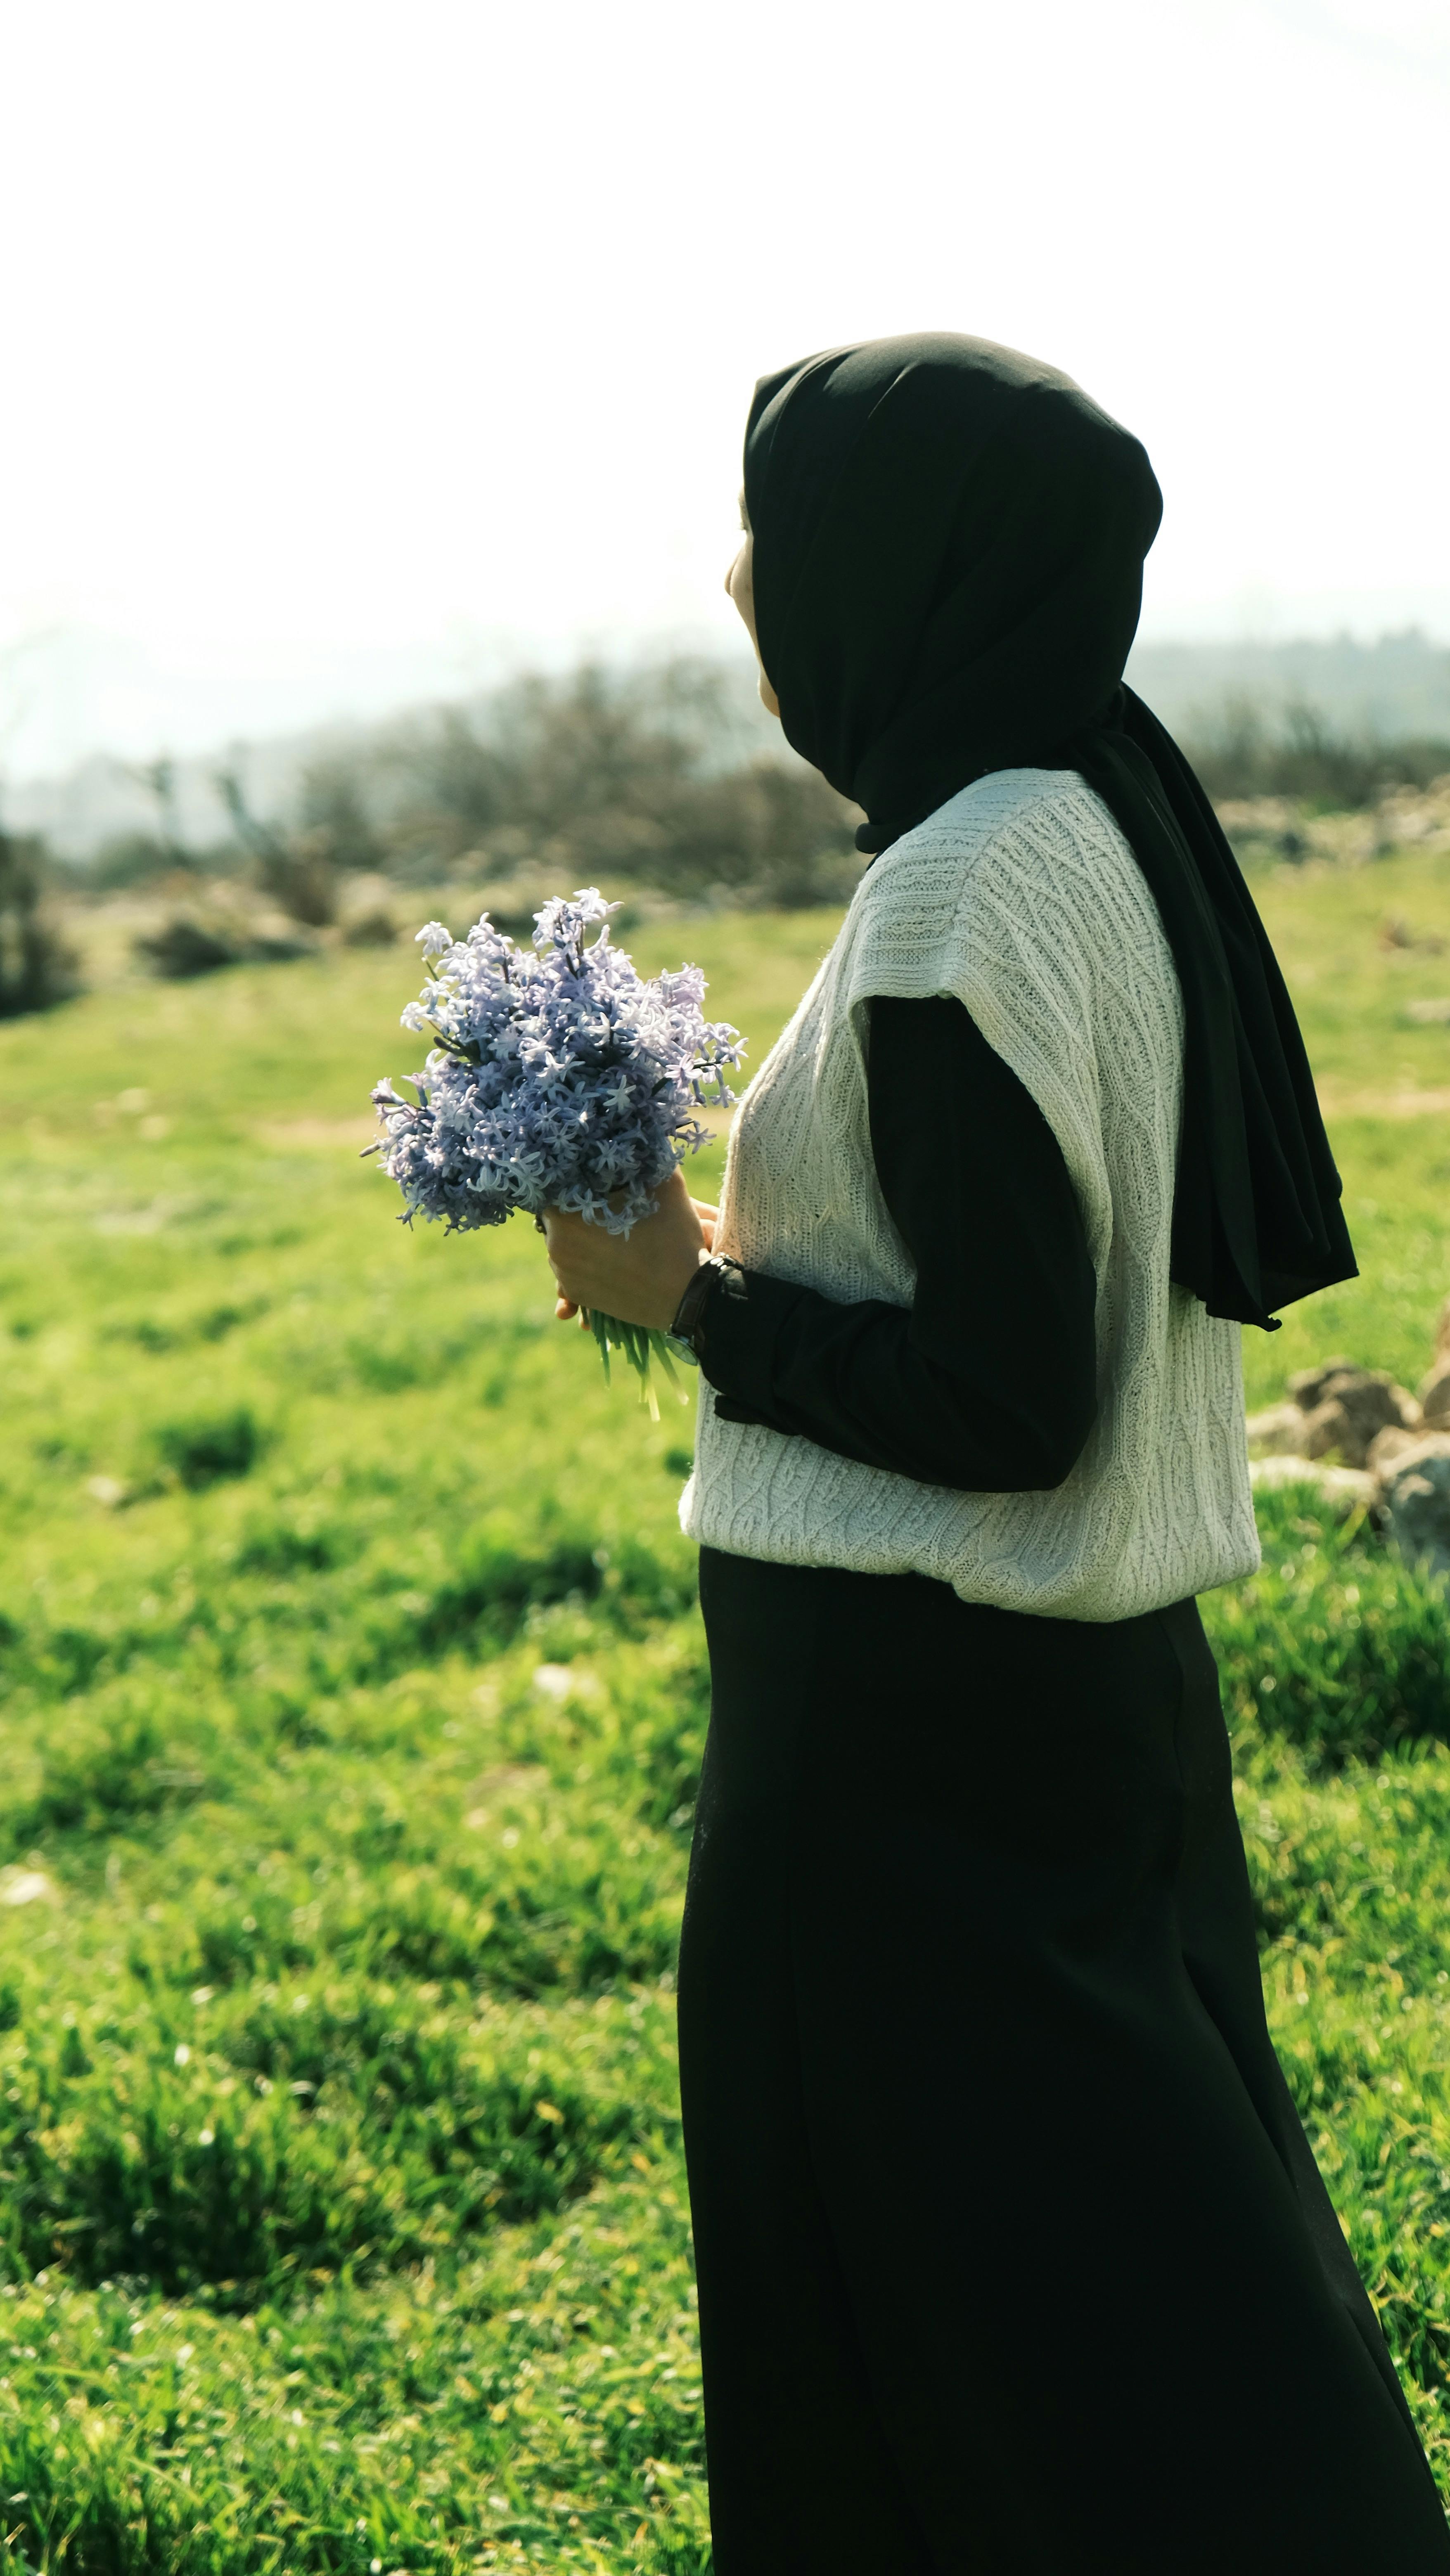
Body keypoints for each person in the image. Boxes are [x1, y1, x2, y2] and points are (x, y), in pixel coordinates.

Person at [540, 334, 1450, 2574]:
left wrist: (687, 1299)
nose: (739, 578)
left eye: (776, 529)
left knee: (931, 2322)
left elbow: (998, 1407)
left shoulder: (959, 885)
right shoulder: (1090, 809)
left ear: (895, 565)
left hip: (904, 1729)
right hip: (1087, 1699)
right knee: (1163, 2299)